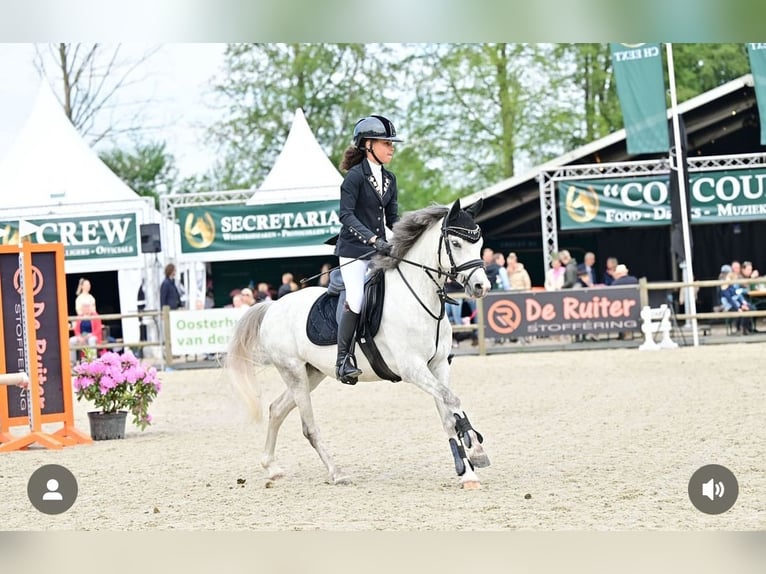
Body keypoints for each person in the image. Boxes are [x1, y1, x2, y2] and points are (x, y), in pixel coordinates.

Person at [333, 114, 402, 384]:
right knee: (357, 297)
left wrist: (404, 239)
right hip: (353, 251)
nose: (392, 147)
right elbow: (346, 216)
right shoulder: (354, 178)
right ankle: (343, 360)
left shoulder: (390, 179)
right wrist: (374, 240)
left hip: (381, 248)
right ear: (368, 144)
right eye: (386, 142)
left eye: (391, 143)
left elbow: (393, 218)